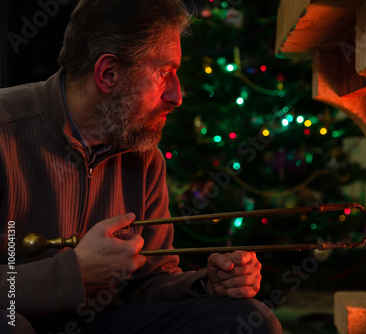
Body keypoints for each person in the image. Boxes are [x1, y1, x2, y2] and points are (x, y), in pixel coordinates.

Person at [0, 0, 282, 333]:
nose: (178, 95)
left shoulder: (143, 154)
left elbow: (150, 281)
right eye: (165, 73)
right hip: (18, 318)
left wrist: (208, 285)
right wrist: (72, 274)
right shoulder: (6, 128)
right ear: (108, 73)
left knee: (249, 320)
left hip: (102, 323)